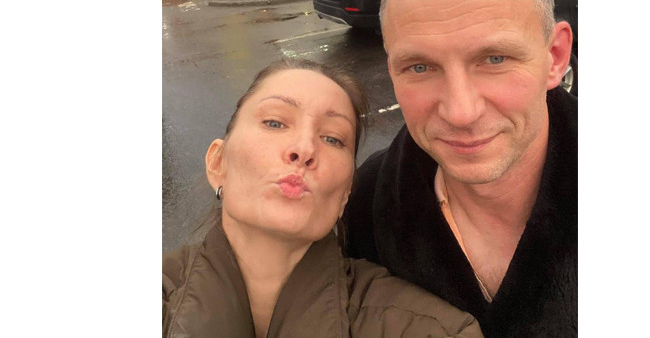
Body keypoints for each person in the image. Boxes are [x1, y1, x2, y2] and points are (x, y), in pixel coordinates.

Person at [342, 0, 577, 337]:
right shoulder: (363, 204)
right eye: (420, 67)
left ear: (555, 58)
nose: (461, 112)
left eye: (495, 59)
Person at [162, 58, 483, 338]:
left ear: (345, 194)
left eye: (332, 138)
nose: (304, 149)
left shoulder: (429, 330)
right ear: (218, 163)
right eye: (274, 122)